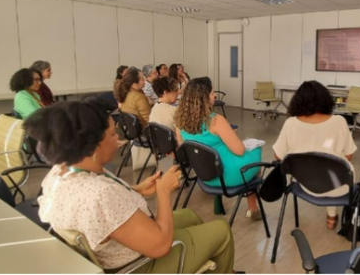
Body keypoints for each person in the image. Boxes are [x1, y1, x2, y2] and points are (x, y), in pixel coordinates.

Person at [29, 100, 235, 273]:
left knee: (190, 215)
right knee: (222, 230)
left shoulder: (61, 171)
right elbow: (161, 246)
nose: (118, 138)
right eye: (112, 134)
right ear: (92, 147)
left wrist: (136, 189)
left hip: (118, 244)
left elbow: (103, 210)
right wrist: (163, 192)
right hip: (139, 264)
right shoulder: (100, 195)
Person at [272, 81, 357, 229]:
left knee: (319, 169)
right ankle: (332, 216)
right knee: (334, 168)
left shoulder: (291, 123)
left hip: (306, 184)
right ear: (325, 99)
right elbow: (349, 156)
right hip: (340, 185)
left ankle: (331, 216)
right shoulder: (339, 121)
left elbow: (278, 156)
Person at [175, 77, 263, 219]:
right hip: (227, 174)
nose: (214, 95)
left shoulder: (179, 120)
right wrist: (228, 135)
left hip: (204, 175)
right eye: (211, 93)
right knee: (256, 151)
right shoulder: (215, 120)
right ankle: (253, 208)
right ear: (203, 98)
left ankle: (251, 208)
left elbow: (184, 147)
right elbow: (239, 150)